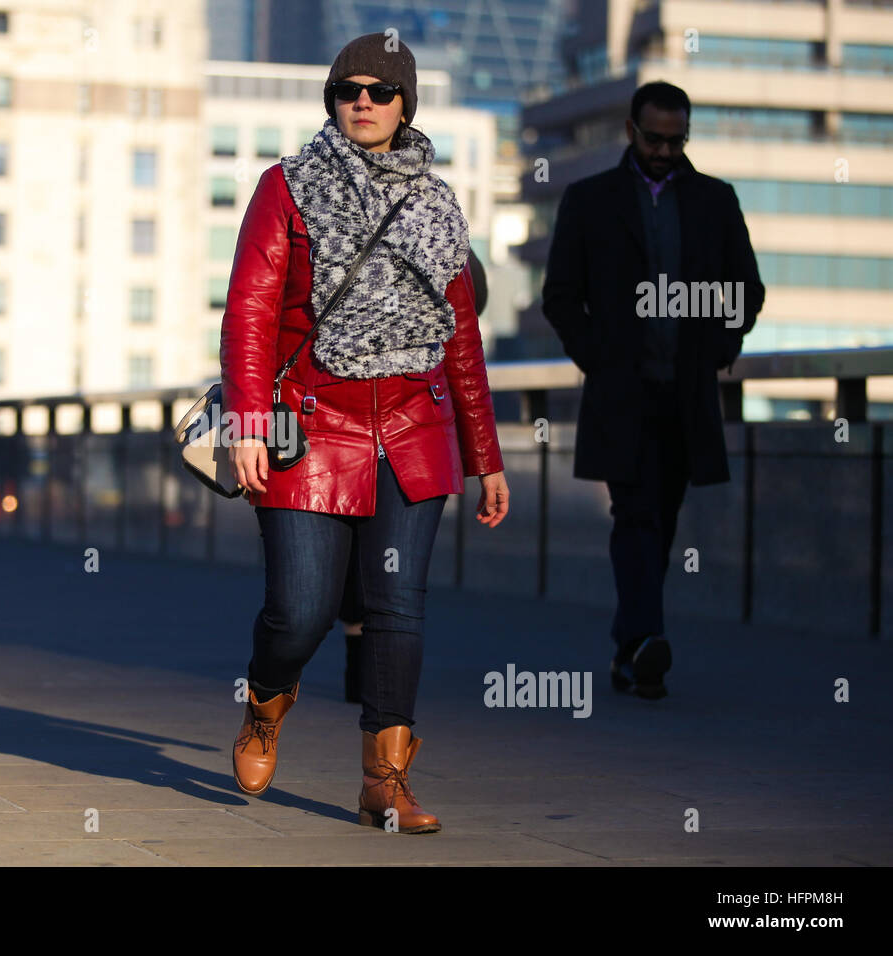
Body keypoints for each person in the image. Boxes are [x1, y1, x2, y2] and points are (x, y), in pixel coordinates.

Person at [221, 33, 509, 834]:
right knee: (301, 609)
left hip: (416, 429)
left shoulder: (437, 205)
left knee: (396, 609)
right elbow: (248, 311)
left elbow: (462, 339)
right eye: (350, 89)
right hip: (312, 425)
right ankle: (266, 706)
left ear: (405, 105)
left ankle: (385, 780)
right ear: (333, 99)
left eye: (382, 92)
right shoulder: (285, 187)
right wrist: (246, 418)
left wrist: (487, 457)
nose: (365, 102)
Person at [541, 81, 764, 700]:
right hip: (622, 393)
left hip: (686, 395)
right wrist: (599, 358)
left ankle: (629, 646)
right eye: (655, 138)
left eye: (676, 139)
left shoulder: (716, 201)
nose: (666, 150)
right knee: (635, 514)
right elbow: (560, 295)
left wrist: (721, 347)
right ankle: (647, 640)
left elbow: (747, 288)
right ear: (632, 132)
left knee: (660, 522)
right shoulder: (591, 200)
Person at [340, 248, 489, 703]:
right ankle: (359, 654)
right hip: (359, 414)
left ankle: (364, 664)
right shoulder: (444, 242)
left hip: (404, 418)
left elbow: (465, 330)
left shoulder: (440, 238)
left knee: (378, 566)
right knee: (367, 558)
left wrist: (486, 460)